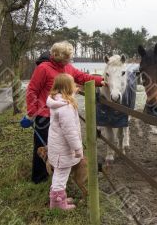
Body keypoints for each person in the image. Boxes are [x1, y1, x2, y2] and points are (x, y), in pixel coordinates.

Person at [26, 41, 105, 184]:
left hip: (64, 115)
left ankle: (58, 177)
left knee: (62, 147)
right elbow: (32, 90)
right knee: (43, 146)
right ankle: (39, 178)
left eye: (69, 58)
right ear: (57, 56)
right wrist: (32, 112)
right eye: (66, 58)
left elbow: (82, 77)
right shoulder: (43, 68)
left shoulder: (68, 67)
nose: (68, 61)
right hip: (45, 115)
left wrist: (101, 80)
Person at [46, 73, 82, 210]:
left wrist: (73, 94)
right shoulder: (65, 108)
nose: (75, 86)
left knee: (59, 174)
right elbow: (70, 131)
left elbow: (67, 100)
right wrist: (77, 149)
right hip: (64, 150)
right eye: (73, 84)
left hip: (58, 148)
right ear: (67, 87)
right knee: (61, 176)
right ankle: (57, 204)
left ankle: (58, 198)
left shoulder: (58, 101)